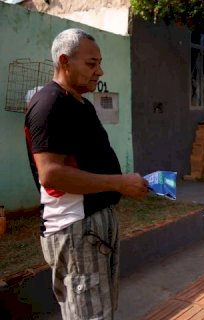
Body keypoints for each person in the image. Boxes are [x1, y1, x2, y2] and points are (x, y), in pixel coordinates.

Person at [24, 28, 149, 320]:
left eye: (99, 63)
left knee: (99, 311)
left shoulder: (79, 103)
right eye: (91, 64)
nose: (100, 71)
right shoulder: (49, 104)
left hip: (93, 227)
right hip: (76, 228)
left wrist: (124, 182)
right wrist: (119, 182)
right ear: (65, 62)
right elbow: (51, 173)